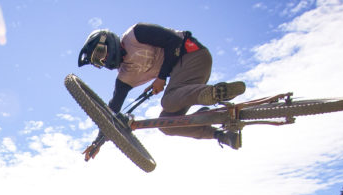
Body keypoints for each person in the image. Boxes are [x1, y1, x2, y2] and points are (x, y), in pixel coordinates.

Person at [77, 23, 246, 160]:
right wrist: (97, 142)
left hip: (193, 55)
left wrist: (161, 77)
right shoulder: (124, 76)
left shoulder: (135, 35)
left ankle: (214, 93)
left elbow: (173, 41)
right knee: (166, 124)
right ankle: (221, 134)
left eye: (101, 53)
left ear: (107, 41)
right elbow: (111, 112)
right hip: (185, 80)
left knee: (168, 100)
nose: (103, 60)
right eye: (97, 61)